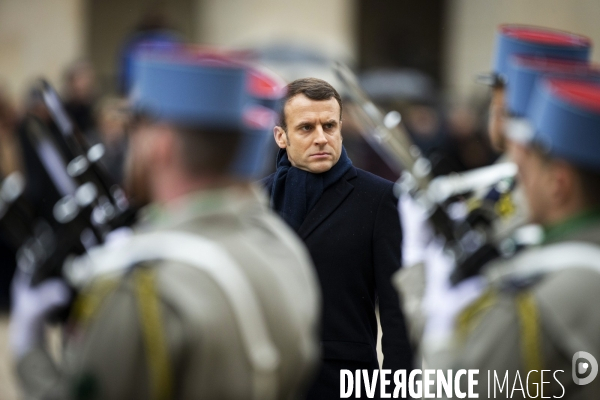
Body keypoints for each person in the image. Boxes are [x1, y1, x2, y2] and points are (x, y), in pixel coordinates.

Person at [11, 47, 321, 400]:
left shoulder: (139, 290)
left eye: (136, 127)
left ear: (162, 143)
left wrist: (29, 350)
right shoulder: (283, 247)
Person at [395, 25, 595, 350]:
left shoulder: (532, 203)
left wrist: (418, 267)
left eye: (497, 96)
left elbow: (451, 377)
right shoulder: (506, 184)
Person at [262, 77, 413, 399]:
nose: (321, 138)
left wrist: (399, 393)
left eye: (329, 126)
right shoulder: (257, 201)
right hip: (271, 380)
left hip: (347, 382)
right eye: (306, 128)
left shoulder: (379, 198)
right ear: (281, 136)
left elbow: (397, 311)